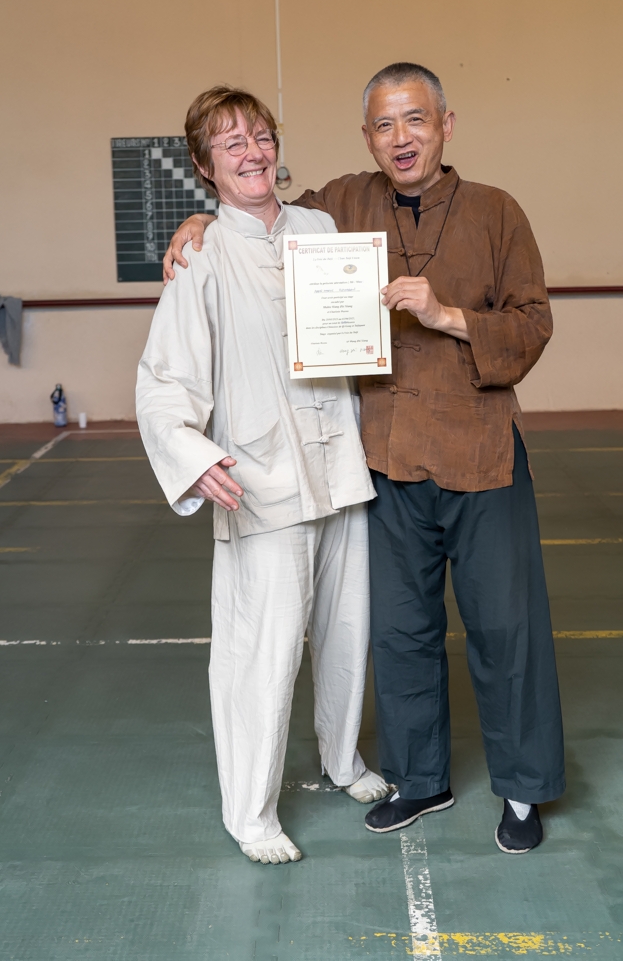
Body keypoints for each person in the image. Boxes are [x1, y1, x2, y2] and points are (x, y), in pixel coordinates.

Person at [163, 63, 565, 854]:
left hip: (481, 452)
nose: (400, 137)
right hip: (384, 457)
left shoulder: (496, 212)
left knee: (505, 627)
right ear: (366, 137)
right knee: (400, 632)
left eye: (415, 120)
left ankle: (521, 790)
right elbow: (258, 210)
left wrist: (446, 315)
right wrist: (198, 220)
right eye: (384, 125)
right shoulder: (340, 207)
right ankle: (420, 778)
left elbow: (532, 324)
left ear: (445, 125)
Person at [136, 86, 388, 867]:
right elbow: (163, 379)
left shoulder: (320, 230)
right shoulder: (202, 255)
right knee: (262, 650)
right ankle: (250, 813)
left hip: (340, 465)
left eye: (260, 135)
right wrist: (194, 456)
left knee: (347, 632)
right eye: (231, 143)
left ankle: (341, 759)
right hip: (260, 477)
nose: (252, 152)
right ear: (204, 165)